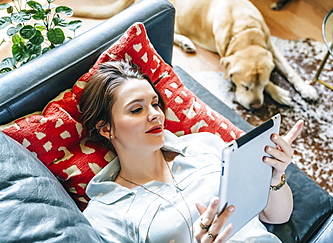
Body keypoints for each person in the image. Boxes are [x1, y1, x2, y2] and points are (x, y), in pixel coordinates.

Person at [79, 60, 304, 243]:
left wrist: (275, 176)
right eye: (137, 109)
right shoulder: (106, 214)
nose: (155, 114)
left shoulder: (205, 145)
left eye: (155, 104)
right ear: (107, 129)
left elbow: (277, 216)